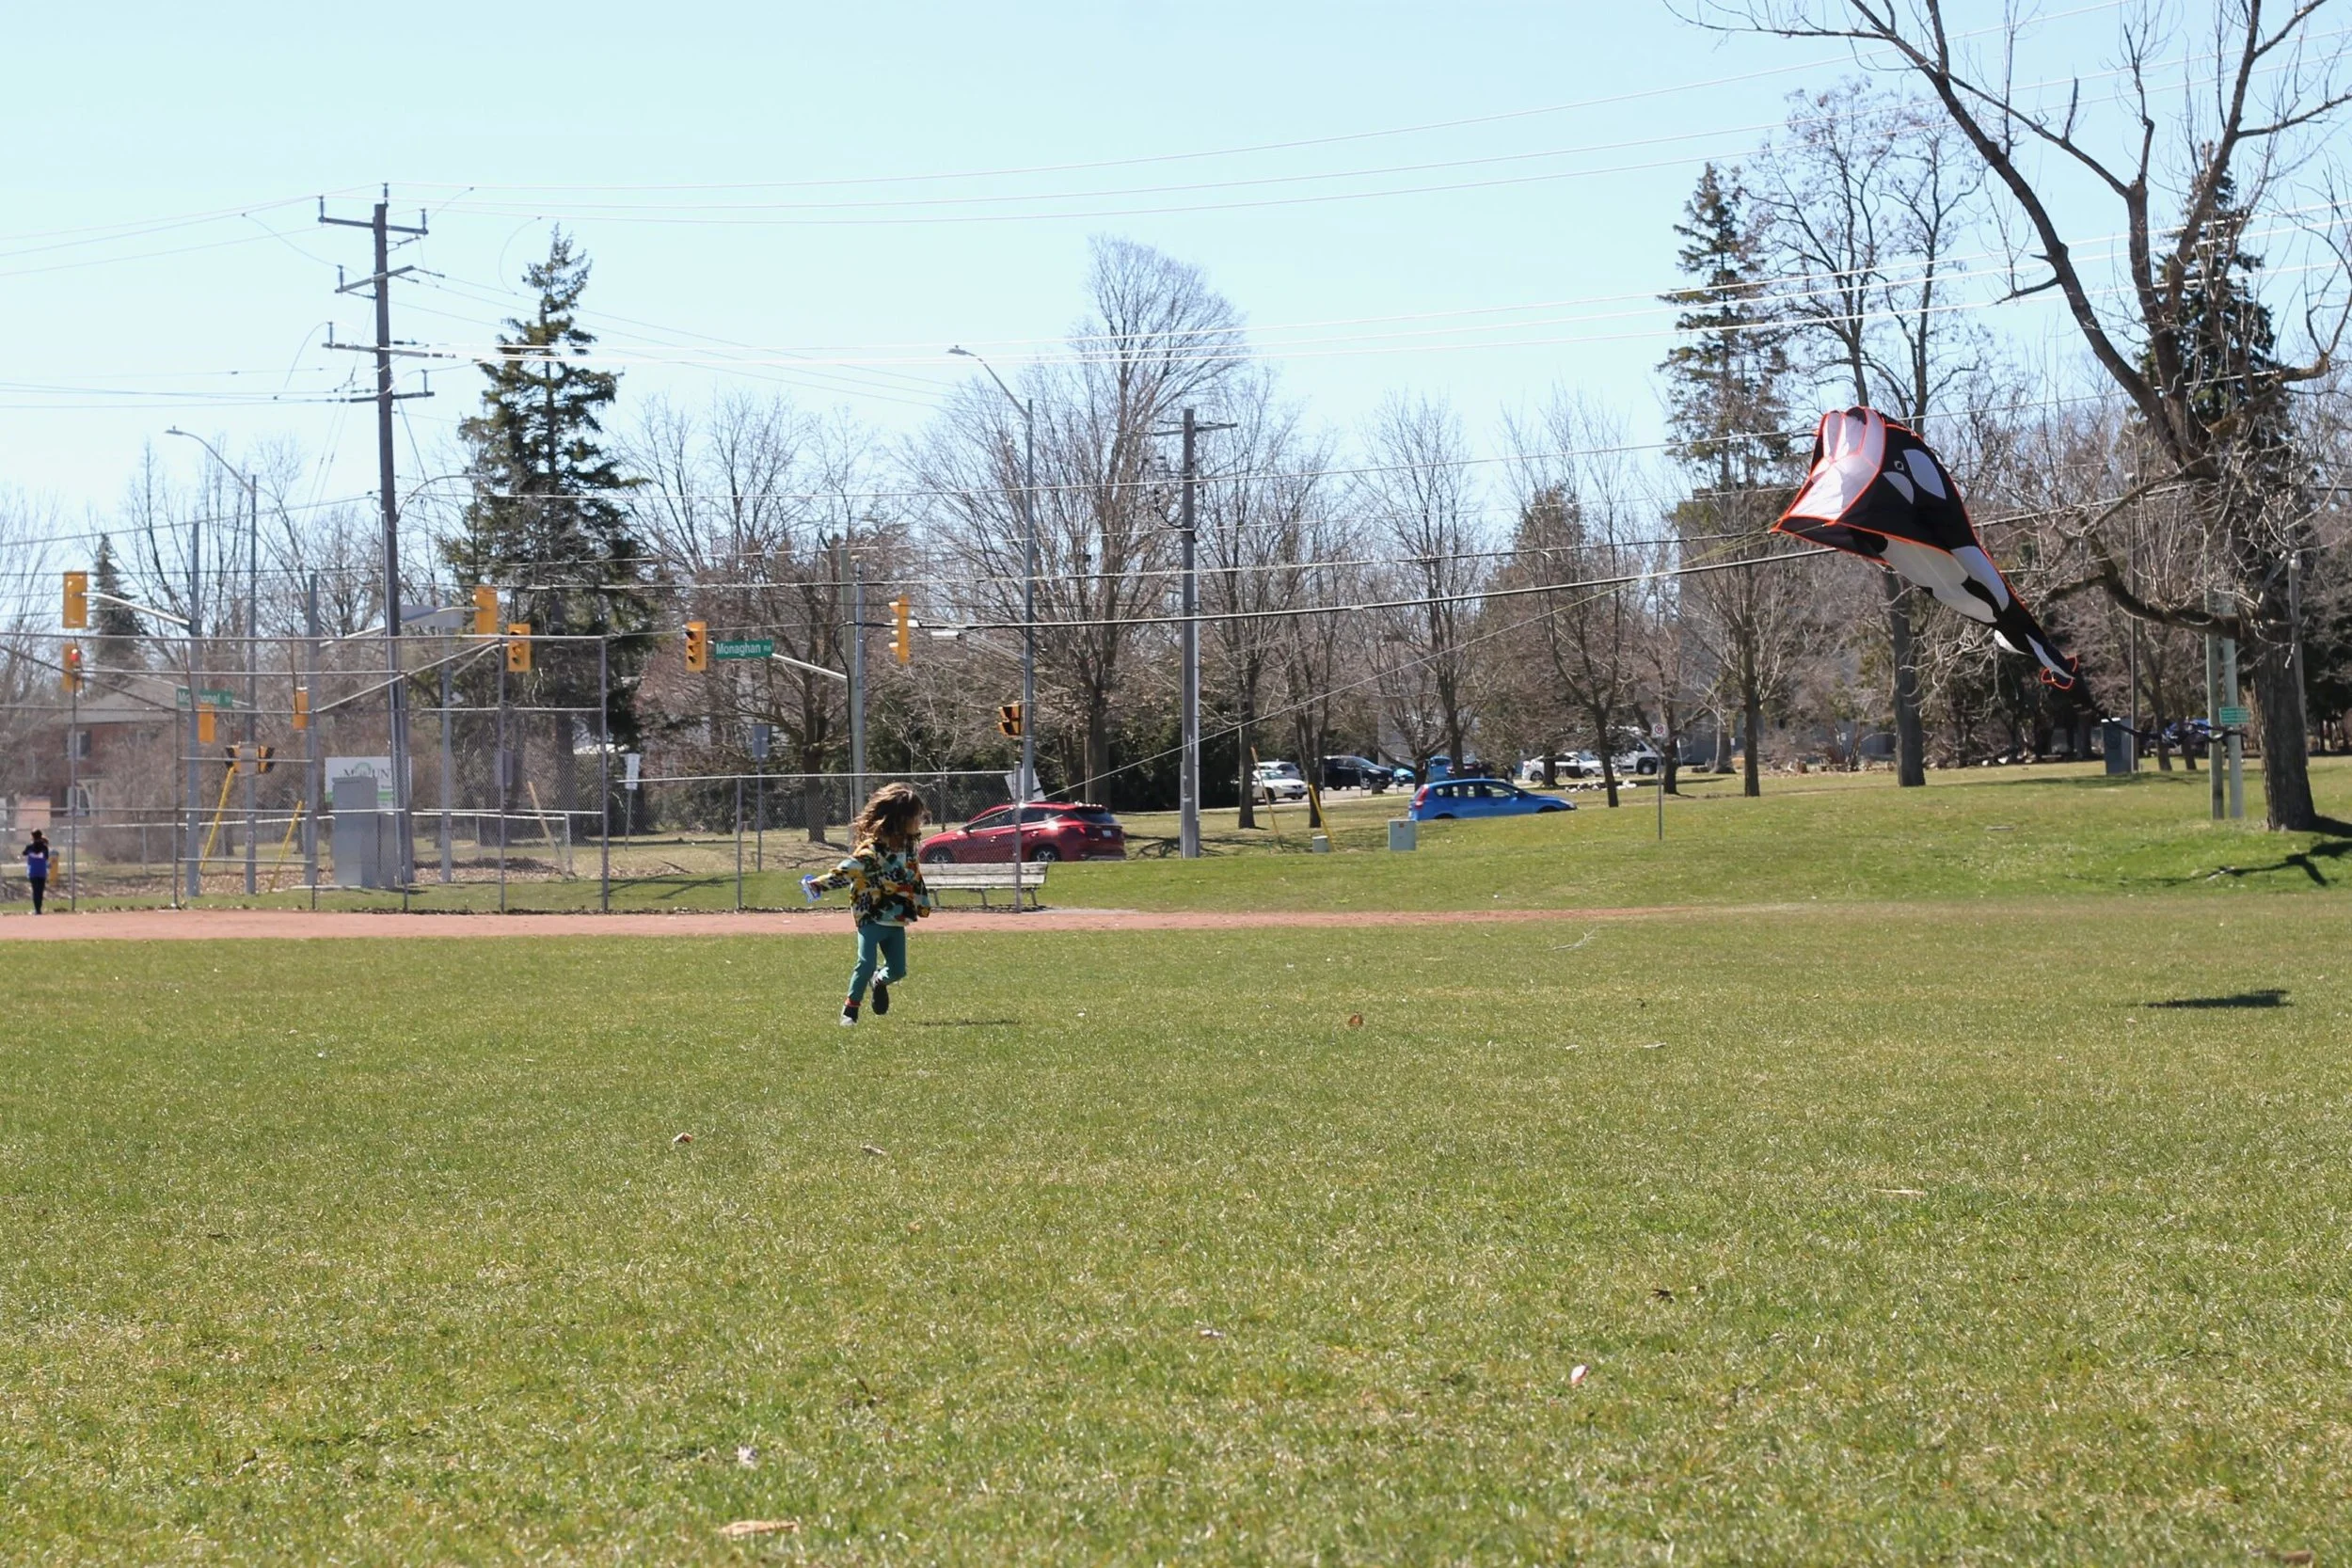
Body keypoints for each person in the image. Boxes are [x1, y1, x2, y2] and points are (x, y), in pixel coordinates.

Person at [802, 783, 933, 1027]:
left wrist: (922, 902)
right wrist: (818, 885)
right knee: (866, 962)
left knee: (897, 971)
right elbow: (847, 870)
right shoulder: (872, 851)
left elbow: (914, 876)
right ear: (899, 818)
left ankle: (879, 981)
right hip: (871, 915)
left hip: (897, 917)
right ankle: (850, 1011)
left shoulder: (908, 849)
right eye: (916, 816)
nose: (920, 820)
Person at [23, 830, 51, 915]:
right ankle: (39, 909)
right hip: (42, 871)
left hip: (33, 871)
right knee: (40, 890)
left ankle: (37, 910)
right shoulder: (44, 847)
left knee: (35, 890)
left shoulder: (29, 847)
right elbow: (46, 857)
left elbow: (24, 853)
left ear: (32, 837)